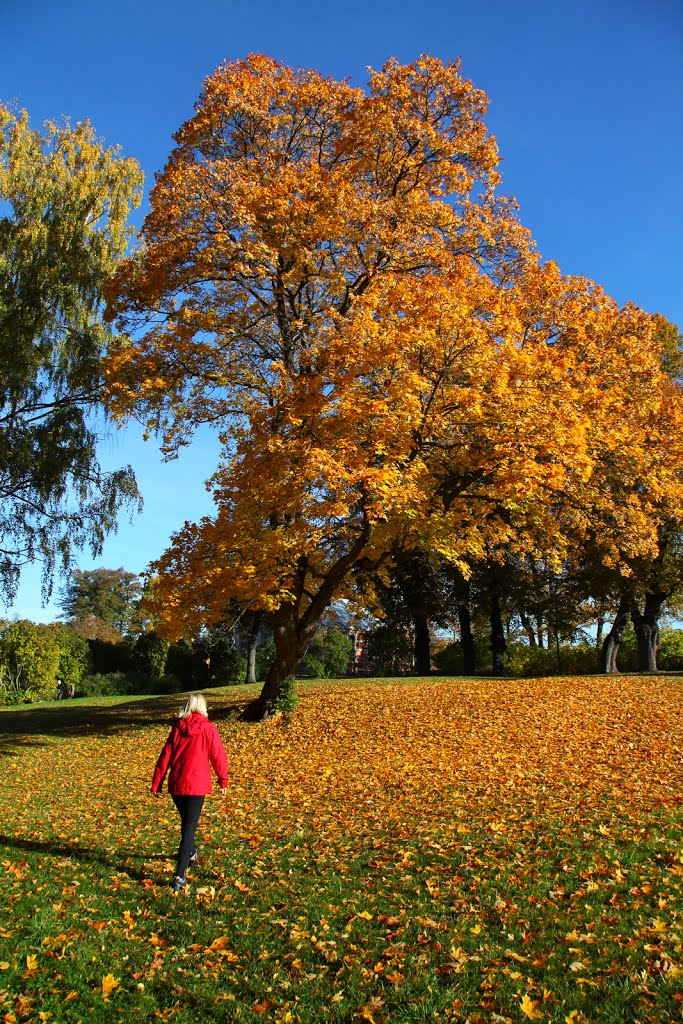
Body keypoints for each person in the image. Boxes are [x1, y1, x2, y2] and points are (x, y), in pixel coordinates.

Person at [151, 692, 229, 891]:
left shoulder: (178, 728)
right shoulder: (208, 729)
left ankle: (192, 851)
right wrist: (223, 780)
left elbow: (165, 756)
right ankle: (180, 874)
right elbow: (218, 755)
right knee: (188, 829)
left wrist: (157, 781)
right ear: (202, 707)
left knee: (188, 823)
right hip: (196, 786)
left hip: (177, 785)